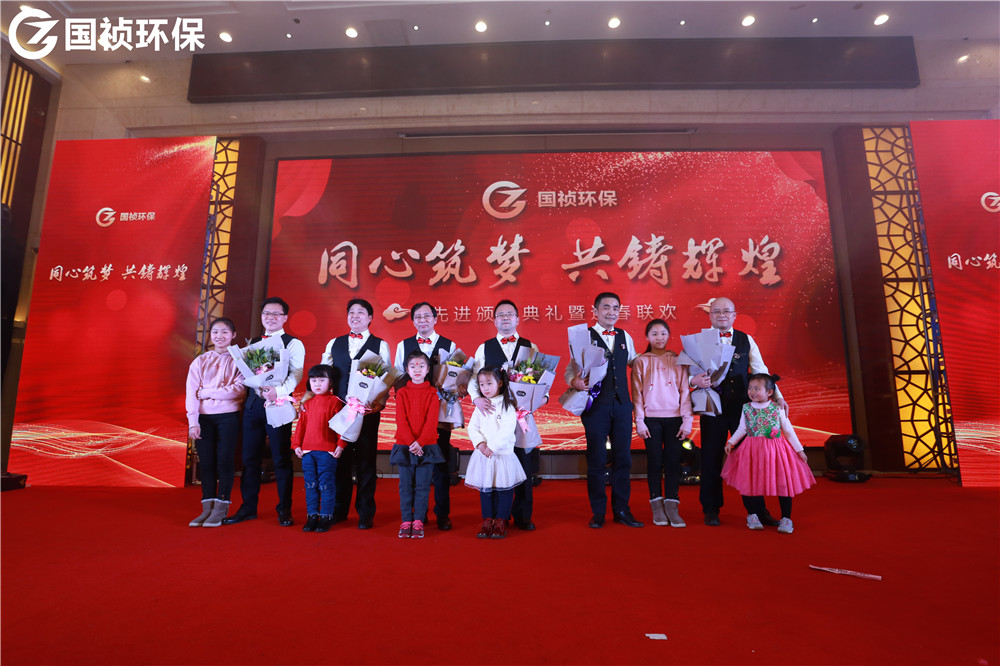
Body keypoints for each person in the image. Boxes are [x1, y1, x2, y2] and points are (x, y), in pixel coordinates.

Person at [690, 297, 787, 527]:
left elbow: (761, 371)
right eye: (716, 311)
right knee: (710, 458)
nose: (721, 315)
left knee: (749, 459)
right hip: (712, 407)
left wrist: (778, 396)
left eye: (726, 311)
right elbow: (686, 372)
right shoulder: (699, 340)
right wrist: (694, 381)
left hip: (742, 409)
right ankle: (711, 509)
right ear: (710, 315)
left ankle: (757, 510)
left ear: (734, 315)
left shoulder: (746, 339)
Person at [225, 297, 305, 527]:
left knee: (281, 459)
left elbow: (296, 373)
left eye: (276, 314)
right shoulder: (253, 342)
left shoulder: (293, 343)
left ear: (285, 317)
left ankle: (284, 510)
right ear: (261, 317)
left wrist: (277, 391)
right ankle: (248, 507)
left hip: (278, 404)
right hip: (253, 406)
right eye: (266, 313)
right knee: (249, 458)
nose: (271, 317)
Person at [568, 292, 643, 529]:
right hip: (595, 407)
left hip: (622, 405)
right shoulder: (582, 336)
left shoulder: (624, 336)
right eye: (606, 307)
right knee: (597, 459)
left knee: (623, 459)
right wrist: (574, 382)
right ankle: (598, 511)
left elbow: (635, 362)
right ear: (595, 311)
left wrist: (659, 358)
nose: (611, 312)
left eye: (616, 308)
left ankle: (621, 509)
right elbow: (572, 369)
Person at [468, 299, 540, 531]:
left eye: (510, 314)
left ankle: (523, 516)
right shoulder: (484, 347)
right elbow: (473, 378)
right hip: (493, 417)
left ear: (518, 319)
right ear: (494, 320)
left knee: (523, 465)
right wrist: (476, 398)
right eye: (501, 314)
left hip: (521, 416)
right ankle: (498, 516)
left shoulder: (530, 346)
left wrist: (541, 399)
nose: (505, 318)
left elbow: (540, 379)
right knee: (496, 463)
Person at [321, 298, 391, 530]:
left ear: (370, 318)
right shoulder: (335, 343)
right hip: (339, 410)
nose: (355, 316)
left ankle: (365, 513)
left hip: (367, 412)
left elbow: (386, 378)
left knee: (366, 462)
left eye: (361, 312)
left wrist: (378, 402)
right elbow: (324, 375)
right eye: (351, 312)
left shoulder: (380, 345)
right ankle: (339, 510)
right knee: (339, 460)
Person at [721, 373, 814, 533]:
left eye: (757, 388)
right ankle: (752, 515)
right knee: (749, 481)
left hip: (776, 451)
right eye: (750, 388)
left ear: (770, 392)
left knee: (783, 482)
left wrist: (800, 450)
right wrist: (731, 442)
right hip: (751, 451)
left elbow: (788, 430)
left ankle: (786, 518)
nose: (752, 392)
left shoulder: (777, 408)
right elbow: (742, 428)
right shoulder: (746, 407)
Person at [393, 301, 457, 531]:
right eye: (418, 317)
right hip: (411, 413)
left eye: (427, 316)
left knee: (440, 465)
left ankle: (442, 514)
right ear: (412, 321)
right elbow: (397, 376)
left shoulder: (449, 344)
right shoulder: (403, 345)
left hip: (440, 413)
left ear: (435, 319)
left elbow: (455, 376)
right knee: (412, 469)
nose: (423, 320)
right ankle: (417, 515)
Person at [630, 319, 693, 528]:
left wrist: (687, 420)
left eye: (663, 333)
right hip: (651, 420)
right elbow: (637, 394)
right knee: (655, 462)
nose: (659, 338)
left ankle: (672, 505)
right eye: (655, 334)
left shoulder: (677, 360)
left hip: (675, 419)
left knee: (673, 462)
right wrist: (639, 422)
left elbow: (685, 392)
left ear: (669, 336)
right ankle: (656, 505)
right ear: (647, 337)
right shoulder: (641, 362)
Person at [185, 317, 246, 527]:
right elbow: (191, 393)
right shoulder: (200, 361)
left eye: (225, 332)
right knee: (207, 462)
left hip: (228, 416)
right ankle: (207, 508)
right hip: (203, 419)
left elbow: (238, 390)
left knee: (224, 460)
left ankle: (221, 507)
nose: (220, 336)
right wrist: (193, 422)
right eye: (215, 332)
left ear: (233, 335)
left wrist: (206, 392)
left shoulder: (239, 360)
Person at [464, 366, 527, 539]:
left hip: (502, 455)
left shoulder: (507, 405)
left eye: (489, 383)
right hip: (484, 455)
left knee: (504, 488)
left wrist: (492, 446)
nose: (485, 388)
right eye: (481, 384)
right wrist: (481, 444)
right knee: (486, 489)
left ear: (499, 383)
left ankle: (501, 520)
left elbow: (507, 430)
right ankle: (488, 519)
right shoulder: (481, 406)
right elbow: (472, 427)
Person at [391, 350, 444, 539]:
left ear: (428, 369)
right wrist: (411, 443)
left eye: (422, 366)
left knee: (422, 486)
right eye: (413, 366)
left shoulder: (432, 393)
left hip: (426, 446)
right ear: (407, 370)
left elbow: (432, 422)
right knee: (405, 486)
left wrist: (419, 443)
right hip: (404, 446)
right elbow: (400, 420)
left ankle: (419, 521)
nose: (417, 369)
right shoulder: (402, 392)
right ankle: (406, 520)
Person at [292, 365, 344, 533]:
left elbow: (341, 427)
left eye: (322, 380)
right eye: (314, 380)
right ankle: (312, 516)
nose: (317, 384)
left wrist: (341, 445)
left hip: (327, 452)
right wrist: (296, 444)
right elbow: (301, 426)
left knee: (326, 485)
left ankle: (326, 516)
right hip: (308, 452)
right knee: (310, 484)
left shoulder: (335, 402)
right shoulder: (307, 404)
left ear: (331, 382)